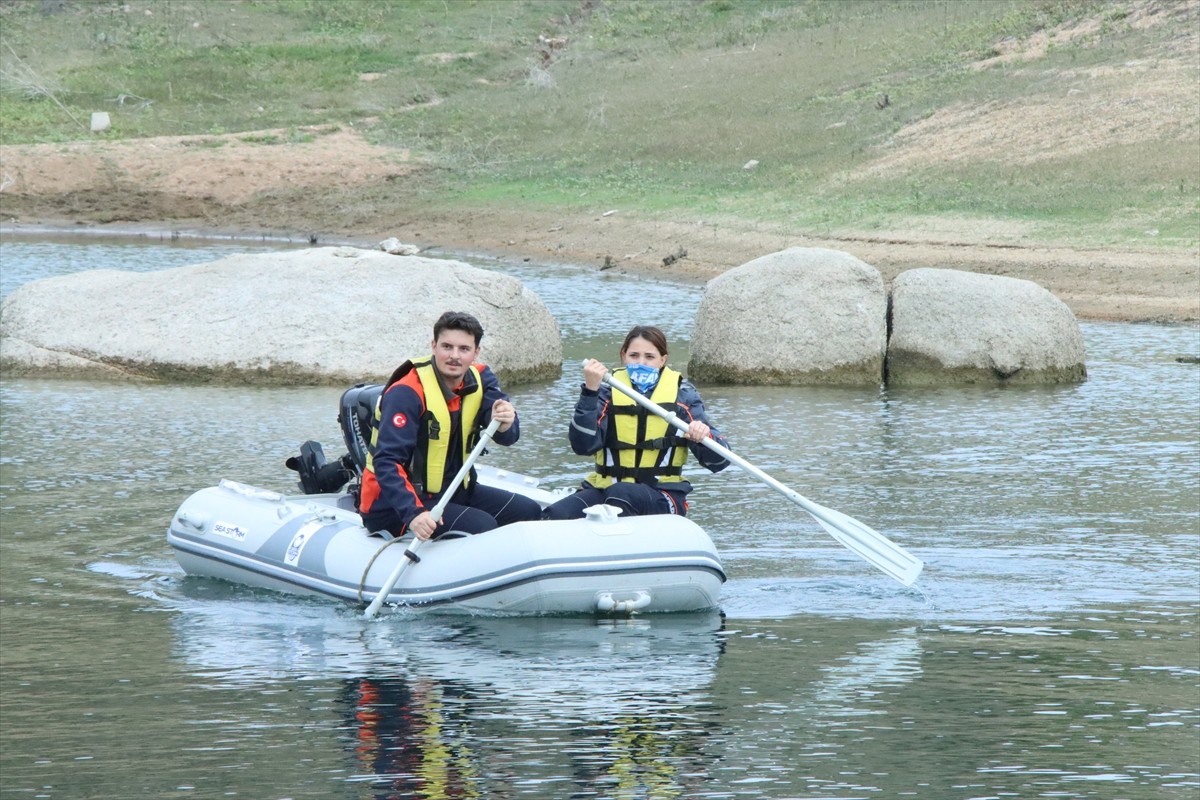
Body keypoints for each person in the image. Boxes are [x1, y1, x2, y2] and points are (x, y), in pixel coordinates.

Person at [358, 310, 542, 540]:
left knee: (529, 511)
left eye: (464, 349)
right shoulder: (406, 393)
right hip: (392, 505)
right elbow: (386, 461)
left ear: (476, 352)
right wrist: (414, 514)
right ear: (434, 346)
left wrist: (506, 423)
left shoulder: (482, 379)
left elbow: (508, 438)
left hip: (454, 492)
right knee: (483, 526)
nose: (454, 356)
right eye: (447, 347)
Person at [543, 324, 730, 521]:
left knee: (622, 494)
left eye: (649, 357)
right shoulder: (605, 393)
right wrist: (590, 392)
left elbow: (719, 462)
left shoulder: (682, 396)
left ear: (662, 360)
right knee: (555, 514)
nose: (641, 362)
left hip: (663, 494)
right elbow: (583, 446)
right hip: (605, 489)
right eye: (634, 356)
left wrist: (703, 435)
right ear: (624, 356)